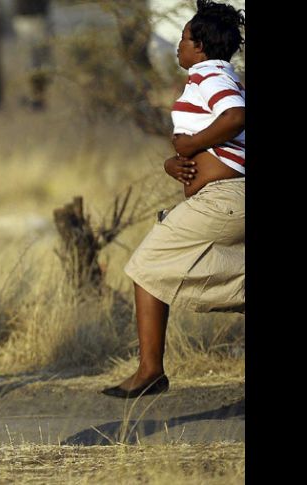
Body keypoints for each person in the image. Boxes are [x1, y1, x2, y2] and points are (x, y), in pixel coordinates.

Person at [102, 0, 245, 398]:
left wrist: (189, 144)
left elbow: (235, 117)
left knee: (147, 266)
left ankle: (150, 371)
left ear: (199, 46)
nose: (178, 46)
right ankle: (150, 371)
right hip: (222, 198)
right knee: (158, 268)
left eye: (183, 38)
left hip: (223, 199)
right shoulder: (223, 76)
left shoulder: (210, 75)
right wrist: (175, 161)